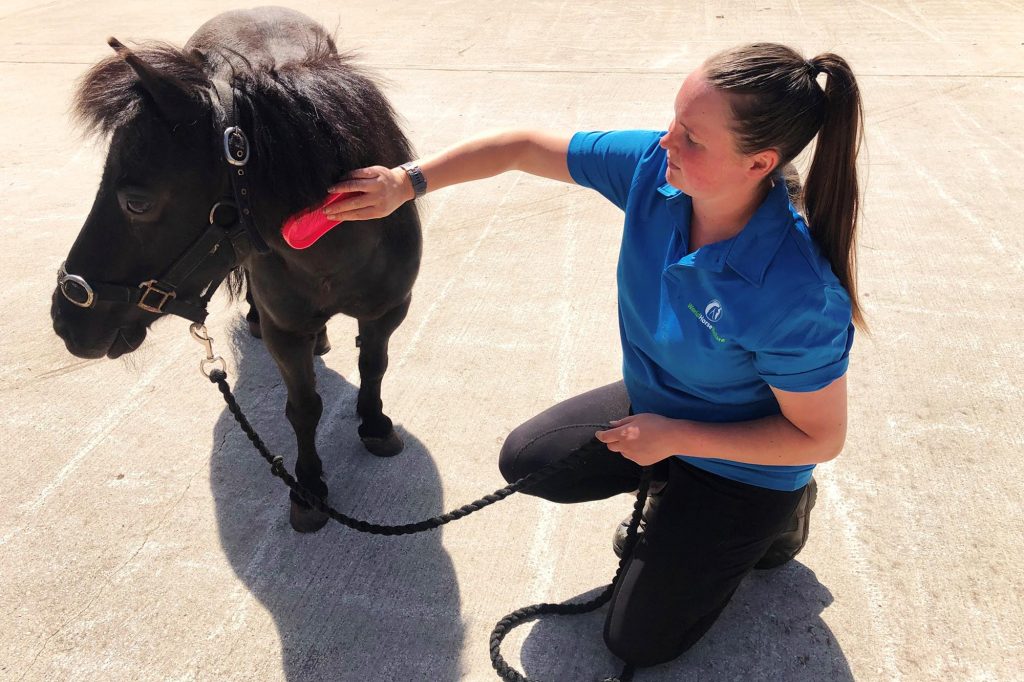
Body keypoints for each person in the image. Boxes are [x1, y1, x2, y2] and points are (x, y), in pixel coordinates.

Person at [323, 42, 863, 669]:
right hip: (659, 409)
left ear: (759, 162)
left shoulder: (796, 292)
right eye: (673, 123)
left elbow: (818, 436)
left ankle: (781, 519)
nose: (666, 144)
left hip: (749, 462)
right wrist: (406, 182)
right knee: (530, 462)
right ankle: (672, 486)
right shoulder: (654, 173)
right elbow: (521, 147)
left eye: (691, 138)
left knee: (638, 642)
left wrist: (678, 436)